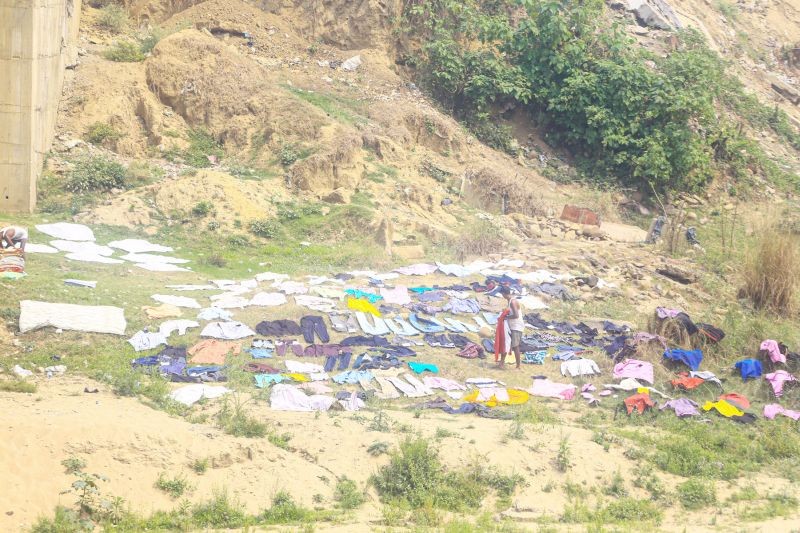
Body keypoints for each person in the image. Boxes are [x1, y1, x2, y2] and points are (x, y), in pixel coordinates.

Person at [499, 286, 524, 369]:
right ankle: (501, 363)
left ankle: (518, 366)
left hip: (516, 326)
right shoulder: (510, 301)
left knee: (515, 346)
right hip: (511, 326)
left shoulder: (513, 302)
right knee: (506, 344)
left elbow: (516, 315)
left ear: (503, 294)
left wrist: (506, 317)